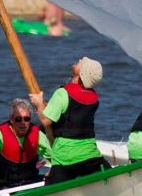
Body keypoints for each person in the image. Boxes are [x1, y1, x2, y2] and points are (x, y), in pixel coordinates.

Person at [29, 57, 109, 185]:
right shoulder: (94, 97)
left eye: (82, 62)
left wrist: (39, 103)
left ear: (82, 73)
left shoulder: (63, 93)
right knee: (109, 176)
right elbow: (72, 113)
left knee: (51, 190)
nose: (80, 59)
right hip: (90, 155)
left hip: (65, 158)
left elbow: (45, 120)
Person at [0, 99, 52, 190]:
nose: (23, 123)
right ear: (11, 120)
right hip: (4, 186)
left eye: (26, 119)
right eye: (18, 119)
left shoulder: (38, 136)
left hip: (31, 183)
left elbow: (53, 159)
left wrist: (52, 172)